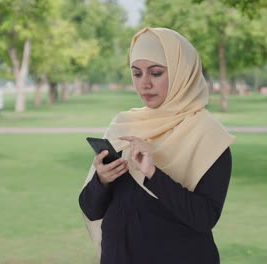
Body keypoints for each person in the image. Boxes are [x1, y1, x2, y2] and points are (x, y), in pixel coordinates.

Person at [79, 27, 234, 264]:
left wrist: (153, 173)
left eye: (156, 72)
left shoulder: (208, 135)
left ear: (183, 73)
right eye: (137, 73)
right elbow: (91, 209)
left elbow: (204, 218)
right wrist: (102, 181)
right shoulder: (124, 125)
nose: (145, 84)